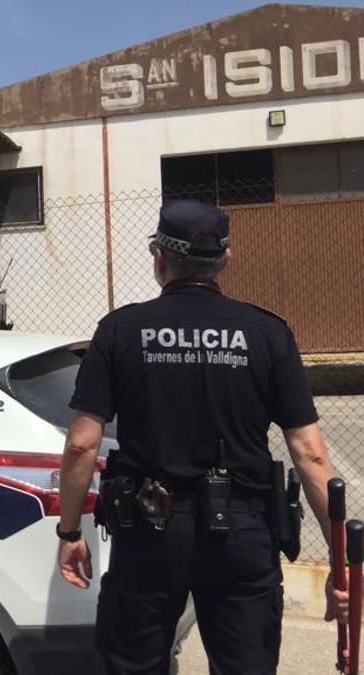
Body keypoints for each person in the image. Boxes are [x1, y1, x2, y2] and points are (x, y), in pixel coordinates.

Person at [53, 199, 349, 674]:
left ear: (160, 258)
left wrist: (69, 531)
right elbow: (311, 455)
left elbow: (82, 444)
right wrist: (343, 555)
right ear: (225, 260)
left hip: (148, 531)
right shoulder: (268, 334)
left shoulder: (119, 331)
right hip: (243, 533)